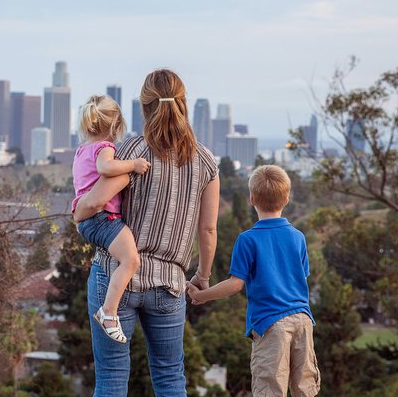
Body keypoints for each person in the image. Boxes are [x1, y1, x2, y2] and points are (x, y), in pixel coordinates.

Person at [74, 69, 219, 397]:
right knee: (170, 380)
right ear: (183, 104)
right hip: (169, 284)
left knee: (111, 379)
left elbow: (95, 201)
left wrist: (79, 214)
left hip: (115, 278)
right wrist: (204, 277)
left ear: (144, 106)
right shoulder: (206, 162)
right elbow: (208, 229)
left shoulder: (129, 152)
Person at [186, 165, 320, 397]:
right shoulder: (298, 237)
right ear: (286, 199)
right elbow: (300, 277)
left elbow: (236, 284)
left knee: (270, 389)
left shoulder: (248, 239)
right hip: (303, 321)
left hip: (271, 323)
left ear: (252, 198)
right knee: (305, 389)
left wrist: (200, 295)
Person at [72, 95, 151, 343]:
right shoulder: (104, 148)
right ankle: (109, 312)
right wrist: (133, 165)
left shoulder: (81, 150)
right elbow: (106, 169)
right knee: (130, 260)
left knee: (125, 259)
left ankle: (109, 310)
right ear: (116, 125)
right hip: (103, 218)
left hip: (89, 220)